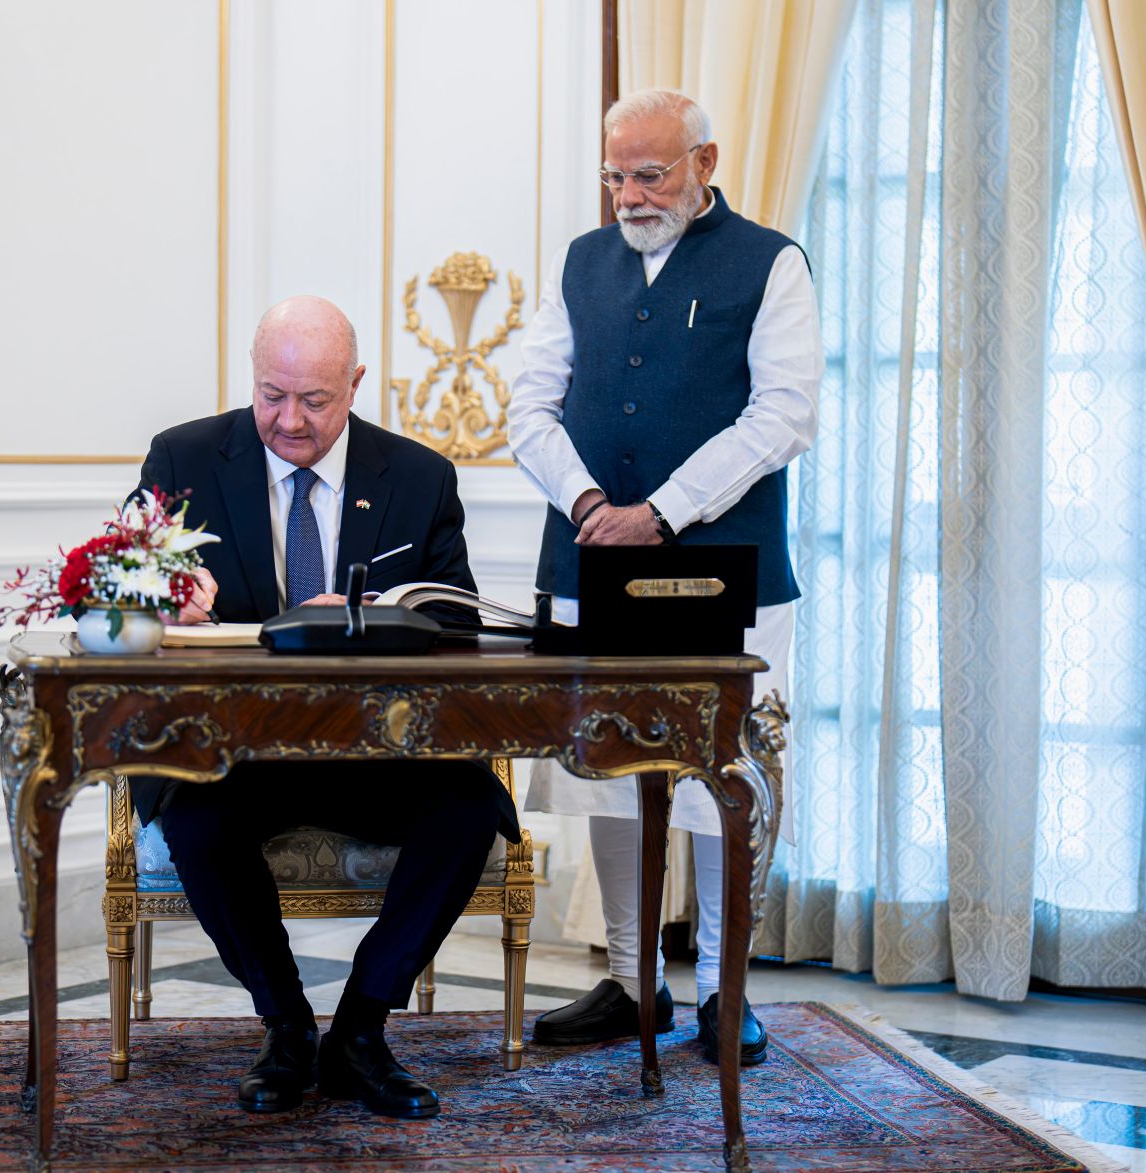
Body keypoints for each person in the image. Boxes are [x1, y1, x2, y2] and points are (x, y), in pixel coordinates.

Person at [134, 294, 520, 1118]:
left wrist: (383, 621)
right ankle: (286, 1026)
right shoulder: (183, 460)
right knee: (195, 821)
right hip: (237, 753)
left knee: (469, 806)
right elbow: (125, 590)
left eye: (315, 400)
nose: (290, 421)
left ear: (355, 384)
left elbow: (456, 619)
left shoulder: (418, 477)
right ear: (253, 377)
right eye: (272, 394)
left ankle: (361, 1028)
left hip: (374, 750)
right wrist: (165, 604)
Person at [507, 88, 819, 1065]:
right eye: (614, 175)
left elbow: (782, 416)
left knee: (722, 778)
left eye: (649, 173)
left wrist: (664, 512)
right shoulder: (579, 262)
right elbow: (528, 406)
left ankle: (726, 993)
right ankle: (631, 986)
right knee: (605, 774)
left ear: (703, 162)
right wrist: (590, 505)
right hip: (589, 557)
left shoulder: (769, 263)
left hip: (726, 575)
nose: (629, 195)